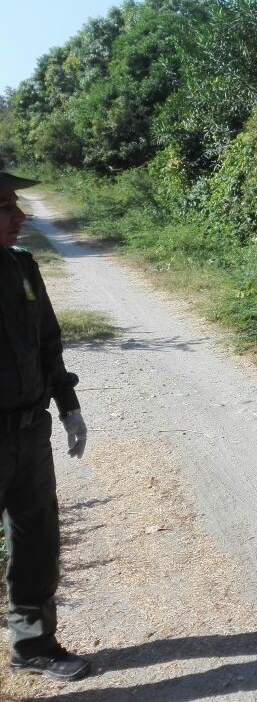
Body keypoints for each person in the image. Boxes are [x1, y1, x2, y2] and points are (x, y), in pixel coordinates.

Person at [0, 170, 90, 681]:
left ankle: (33, 645)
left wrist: (68, 405)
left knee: (36, 542)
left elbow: (48, 342)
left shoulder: (22, 266)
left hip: (31, 432)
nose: (21, 217)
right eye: (7, 207)